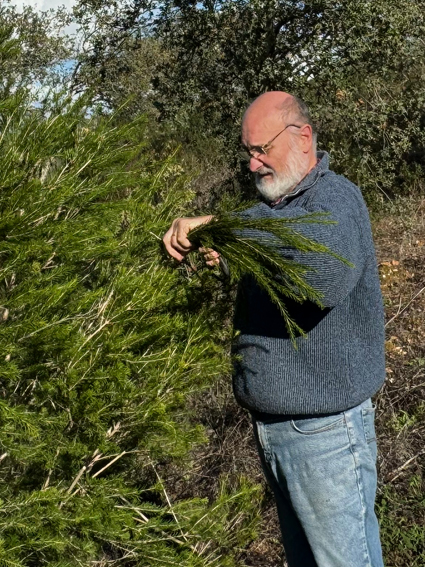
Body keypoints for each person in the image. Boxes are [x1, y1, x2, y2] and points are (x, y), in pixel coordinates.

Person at [162, 91, 386, 567]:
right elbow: (267, 250)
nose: (252, 163)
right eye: (247, 152)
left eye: (261, 149)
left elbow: (320, 275)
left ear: (302, 137)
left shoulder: (335, 199)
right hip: (282, 432)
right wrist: (214, 248)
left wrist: (227, 230)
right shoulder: (273, 212)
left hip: (324, 436)